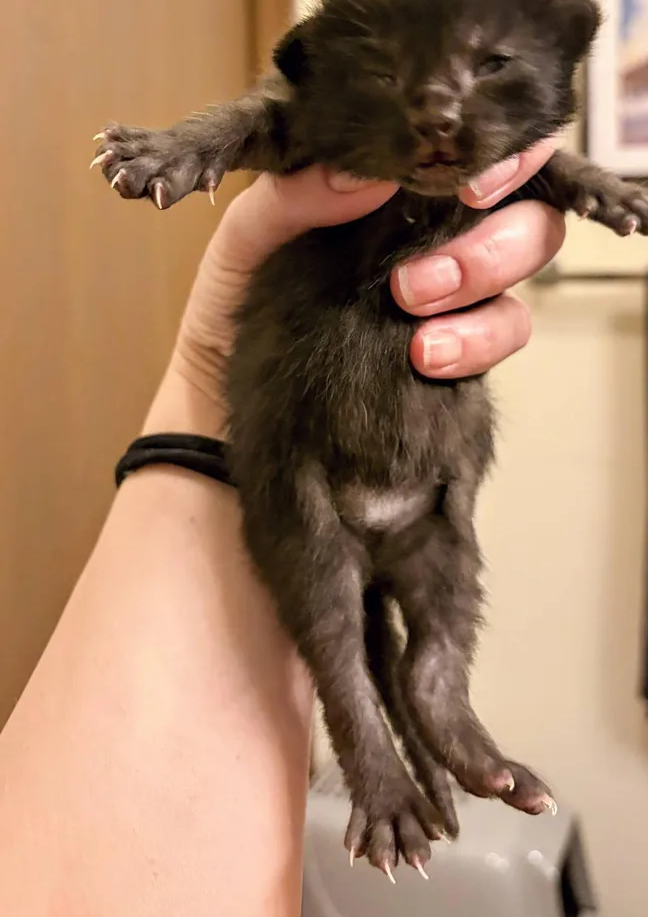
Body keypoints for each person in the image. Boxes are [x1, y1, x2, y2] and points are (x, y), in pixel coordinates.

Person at [0, 142, 564, 916]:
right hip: (302, 467)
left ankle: (435, 713)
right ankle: (395, 746)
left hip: (398, 486)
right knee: (352, 623)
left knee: (424, 630)